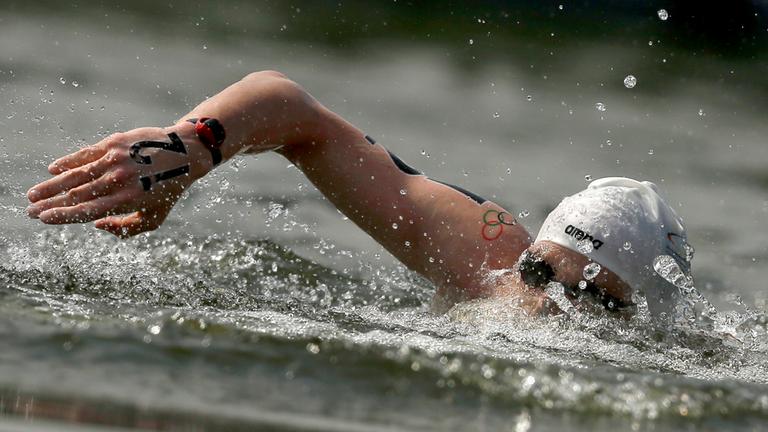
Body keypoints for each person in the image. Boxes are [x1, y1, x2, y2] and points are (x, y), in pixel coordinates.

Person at [25, 71, 693, 317]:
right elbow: (298, 115)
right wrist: (194, 144)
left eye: (588, 300)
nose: (543, 301)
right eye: (539, 272)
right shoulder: (485, 262)